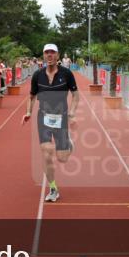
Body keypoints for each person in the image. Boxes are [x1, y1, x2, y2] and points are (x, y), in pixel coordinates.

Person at [22, 43, 79, 203]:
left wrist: (73, 112)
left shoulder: (67, 74)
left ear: (58, 55)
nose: (49, 55)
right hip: (44, 118)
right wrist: (28, 112)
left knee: (62, 158)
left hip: (61, 118)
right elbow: (32, 96)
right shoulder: (37, 75)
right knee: (46, 154)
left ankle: (68, 145)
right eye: (47, 52)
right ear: (43, 56)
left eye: (52, 52)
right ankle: (53, 188)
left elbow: (76, 95)